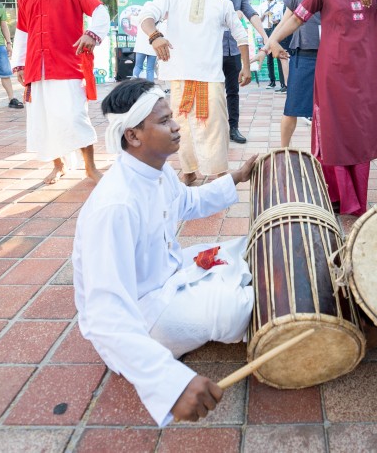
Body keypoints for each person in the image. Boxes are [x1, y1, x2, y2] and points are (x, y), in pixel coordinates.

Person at [73, 78, 257, 426]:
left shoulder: (155, 173)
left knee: (244, 248)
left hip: (168, 279)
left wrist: (236, 177)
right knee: (236, 310)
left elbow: (187, 201)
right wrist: (169, 384)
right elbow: (105, 314)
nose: (176, 126)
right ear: (133, 135)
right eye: (164, 121)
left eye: (172, 117)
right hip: (143, 320)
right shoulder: (115, 206)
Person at [263, 0, 377, 216]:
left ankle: (357, 200)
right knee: (334, 133)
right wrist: (272, 40)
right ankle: (336, 197)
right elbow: (295, 18)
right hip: (332, 75)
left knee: (361, 134)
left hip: (367, 76)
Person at [139, 0, 252, 186]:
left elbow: (241, 35)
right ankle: (188, 169)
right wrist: (155, 35)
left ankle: (219, 172)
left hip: (210, 75)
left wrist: (246, 67)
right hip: (179, 73)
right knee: (181, 125)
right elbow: (147, 14)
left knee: (216, 125)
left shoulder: (222, 4)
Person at [10, 0, 108, 185]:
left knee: (75, 116)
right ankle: (59, 164)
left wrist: (92, 35)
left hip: (67, 65)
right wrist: (19, 64)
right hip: (36, 68)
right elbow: (22, 31)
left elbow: (100, 10)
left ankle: (90, 167)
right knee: (45, 119)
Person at [211, 0, 266, 144]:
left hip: (233, 50)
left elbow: (251, 14)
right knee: (212, 92)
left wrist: (266, 36)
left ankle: (233, 128)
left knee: (232, 91)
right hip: (211, 51)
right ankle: (214, 130)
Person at [280, 0, 330, 147]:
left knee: (329, 111)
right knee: (292, 107)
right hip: (304, 55)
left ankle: (325, 152)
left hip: (332, 57)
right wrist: (271, 43)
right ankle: (283, 150)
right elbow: (286, 22)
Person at [258, 0, 285, 92]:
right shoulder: (261, 6)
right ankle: (272, 81)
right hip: (266, 31)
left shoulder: (279, 5)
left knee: (278, 56)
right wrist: (264, 15)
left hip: (276, 31)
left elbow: (283, 20)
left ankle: (283, 83)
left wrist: (277, 21)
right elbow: (258, 21)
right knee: (269, 58)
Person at [131, 8, 157, 82]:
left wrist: (135, 13)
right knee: (150, 69)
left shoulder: (140, 19)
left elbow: (129, 17)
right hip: (152, 48)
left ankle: (133, 84)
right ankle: (150, 87)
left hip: (141, 47)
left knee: (138, 67)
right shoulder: (157, 21)